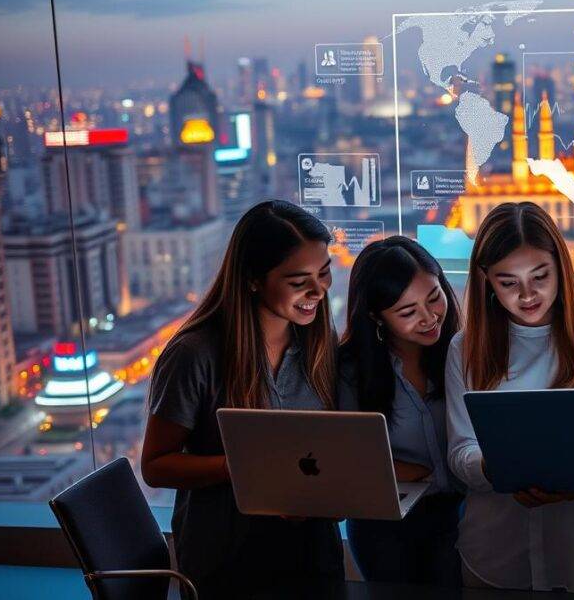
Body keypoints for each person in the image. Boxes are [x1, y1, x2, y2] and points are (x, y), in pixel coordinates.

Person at [141, 201, 343, 598]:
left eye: (324, 273)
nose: (318, 291)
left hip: (312, 549)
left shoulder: (319, 343)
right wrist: (245, 468)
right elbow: (156, 466)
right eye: (299, 280)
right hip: (228, 555)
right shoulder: (196, 353)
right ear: (253, 280)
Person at [445, 201, 574, 594]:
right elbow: (460, 450)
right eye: (508, 282)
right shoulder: (464, 349)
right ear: (486, 281)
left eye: (540, 276)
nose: (528, 294)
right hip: (496, 555)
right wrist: (494, 467)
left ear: (561, 269)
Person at [336, 236, 464, 584]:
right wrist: (401, 470)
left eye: (434, 298)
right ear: (377, 318)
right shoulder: (350, 371)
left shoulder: (464, 352)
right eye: (407, 312)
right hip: (386, 524)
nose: (428, 318)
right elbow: (345, 459)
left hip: (463, 516)